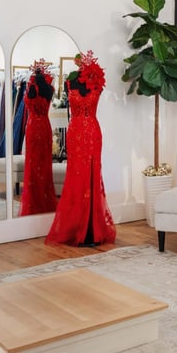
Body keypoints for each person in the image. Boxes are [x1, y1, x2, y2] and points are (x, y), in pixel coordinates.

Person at [46, 51, 116, 246]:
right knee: (77, 177)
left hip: (93, 133)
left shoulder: (98, 83)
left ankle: (92, 227)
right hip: (75, 133)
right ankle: (77, 226)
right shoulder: (70, 82)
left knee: (93, 176)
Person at [19, 60, 58, 216]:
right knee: (44, 164)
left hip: (33, 126)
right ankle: (44, 200)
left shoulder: (30, 87)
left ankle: (34, 201)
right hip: (45, 127)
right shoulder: (49, 88)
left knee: (33, 164)